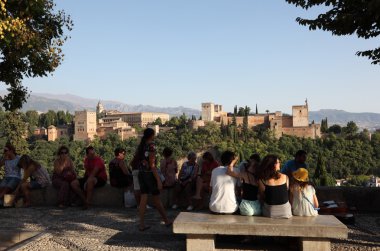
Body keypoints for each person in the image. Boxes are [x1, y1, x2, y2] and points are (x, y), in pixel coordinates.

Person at [130, 128, 171, 231]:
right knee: (157, 199)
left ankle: (142, 224)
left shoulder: (141, 146)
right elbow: (152, 165)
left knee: (143, 198)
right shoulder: (151, 146)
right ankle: (166, 220)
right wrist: (158, 180)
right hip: (149, 175)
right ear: (152, 135)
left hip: (141, 174)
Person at [258, 154, 292, 219]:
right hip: (285, 212)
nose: (280, 163)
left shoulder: (262, 180)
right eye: (278, 162)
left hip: (270, 213)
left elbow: (263, 196)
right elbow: (285, 192)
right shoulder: (285, 177)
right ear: (274, 165)